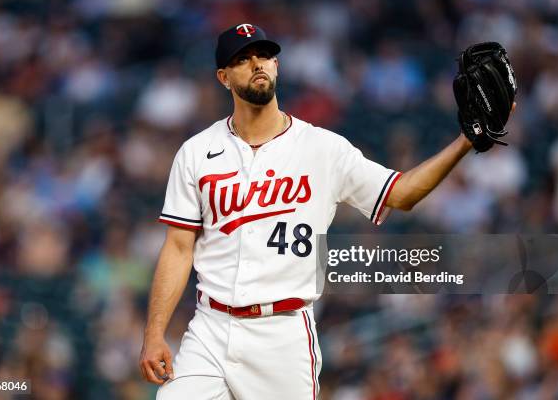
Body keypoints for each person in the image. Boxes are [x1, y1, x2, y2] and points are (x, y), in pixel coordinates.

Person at [139, 23, 490, 399]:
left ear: (276, 66)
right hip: (210, 325)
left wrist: (465, 140)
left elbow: (401, 193)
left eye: (264, 55)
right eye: (243, 59)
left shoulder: (323, 148)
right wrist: (154, 333)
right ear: (223, 77)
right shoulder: (196, 152)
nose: (257, 64)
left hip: (283, 333)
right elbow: (178, 247)